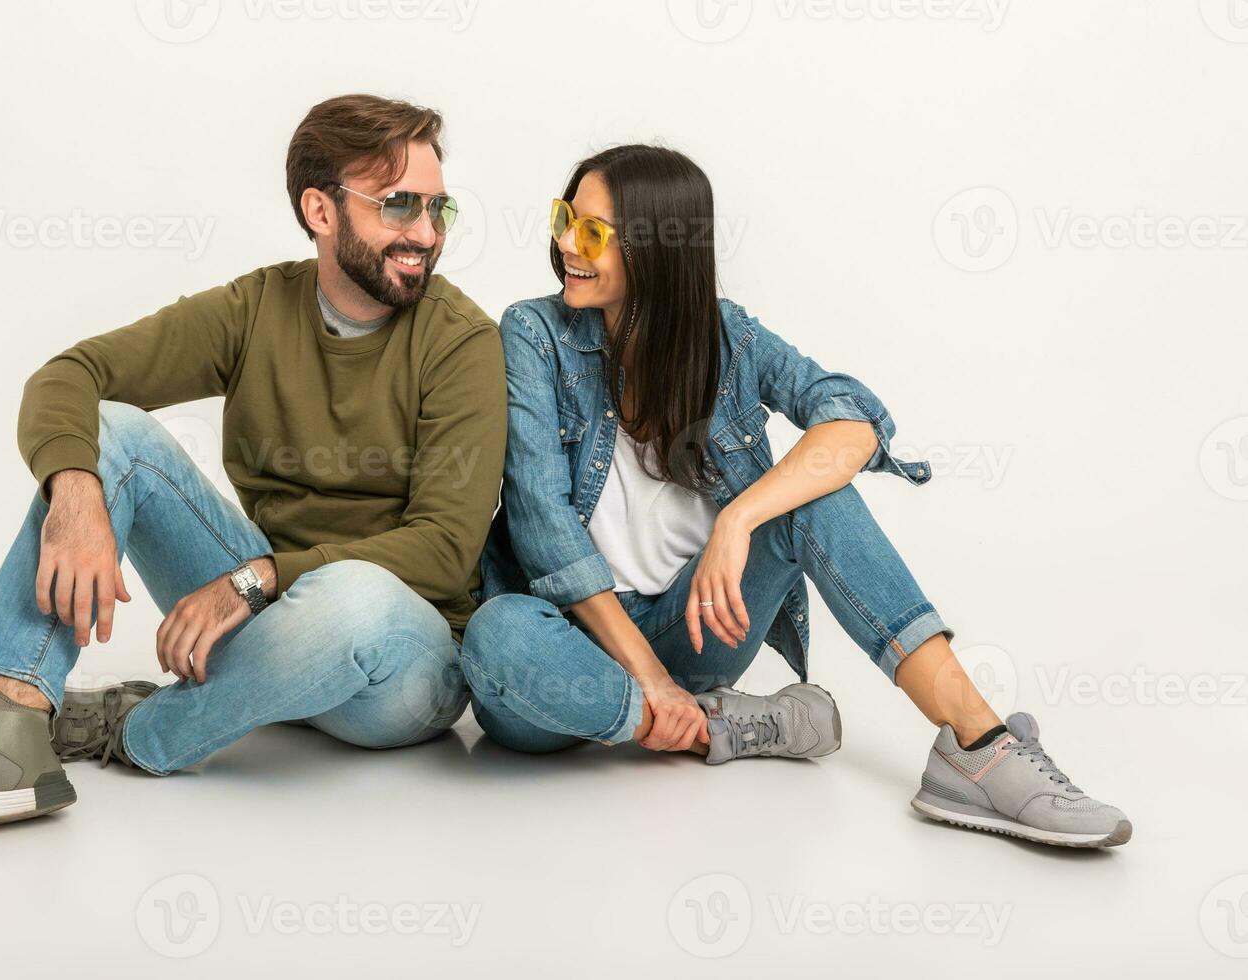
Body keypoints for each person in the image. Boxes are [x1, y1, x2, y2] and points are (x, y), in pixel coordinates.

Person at [0, 94, 508, 845]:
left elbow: (444, 552)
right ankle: (9, 730)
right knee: (110, 432)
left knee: (355, 601)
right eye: (400, 206)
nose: (425, 234)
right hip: (267, 622)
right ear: (321, 210)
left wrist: (261, 578)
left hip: (401, 666)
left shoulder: (461, 342)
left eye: (439, 211)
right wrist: (77, 492)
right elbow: (71, 375)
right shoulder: (257, 308)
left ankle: (139, 728)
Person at [462, 144, 1131, 848]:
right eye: (566, 218)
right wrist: (651, 682)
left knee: (813, 498)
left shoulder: (729, 336)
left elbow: (854, 419)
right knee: (495, 634)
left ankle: (980, 745)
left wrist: (741, 520)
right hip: (558, 658)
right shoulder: (535, 334)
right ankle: (714, 724)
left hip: (692, 629)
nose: (568, 244)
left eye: (594, 232)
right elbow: (544, 528)